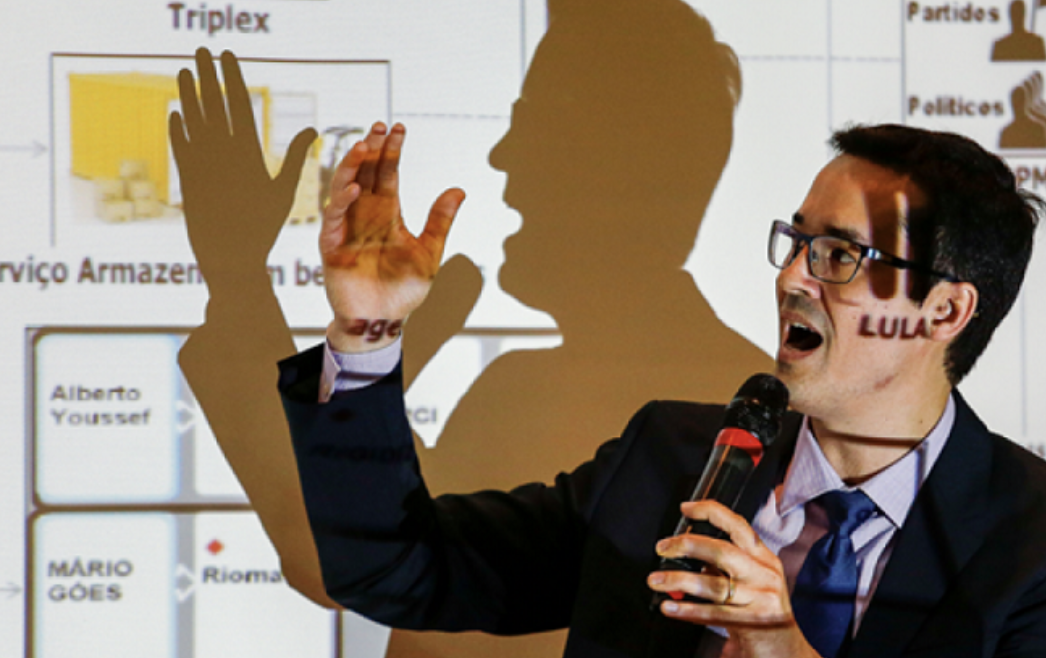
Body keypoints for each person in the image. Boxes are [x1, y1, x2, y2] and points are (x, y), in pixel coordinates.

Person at [274, 117, 1046, 658]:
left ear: (944, 311)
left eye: (838, 256)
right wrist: (367, 331)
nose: (790, 278)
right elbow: (397, 569)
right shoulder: (671, 457)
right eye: (796, 242)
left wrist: (785, 650)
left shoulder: (1029, 542)